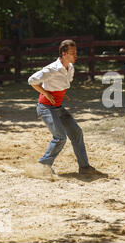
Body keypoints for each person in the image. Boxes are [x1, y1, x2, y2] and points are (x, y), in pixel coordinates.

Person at [28, 39, 96, 174]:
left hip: (57, 107)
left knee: (77, 132)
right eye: (72, 53)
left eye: (76, 52)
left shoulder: (70, 68)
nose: (75, 55)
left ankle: (84, 167)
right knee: (60, 137)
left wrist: (61, 94)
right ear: (64, 54)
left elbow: (60, 84)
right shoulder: (52, 69)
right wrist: (46, 93)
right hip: (45, 107)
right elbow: (32, 80)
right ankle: (43, 165)